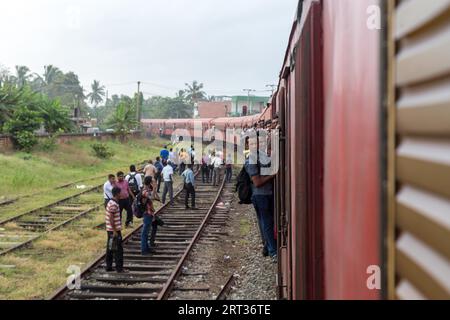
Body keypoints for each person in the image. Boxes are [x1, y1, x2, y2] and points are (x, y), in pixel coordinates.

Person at [245, 137, 277, 262]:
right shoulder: (251, 160)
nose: (255, 145)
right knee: (267, 223)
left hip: (266, 194)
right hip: (260, 195)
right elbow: (257, 182)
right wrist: (273, 175)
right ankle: (272, 251)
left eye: (256, 142)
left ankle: (268, 247)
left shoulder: (261, 156)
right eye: (251, 143)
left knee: (266, 222)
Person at [105, 187, 125, 273]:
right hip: (114, 230)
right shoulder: (113, 204)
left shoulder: (111, 202)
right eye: (120, 193)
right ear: (117, 194)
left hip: (110, 229)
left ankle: (109, 267)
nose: (121, 194)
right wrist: (114, 231)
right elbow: (111, 218)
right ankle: (119, 268)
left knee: (110, 248)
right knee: (118, 249)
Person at [141, 176, 157, 255]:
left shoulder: (147, 190)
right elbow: (152, 198)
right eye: (153, 181)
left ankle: (147, 248)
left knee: (147, 232)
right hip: (147, 214)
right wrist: (154, 187)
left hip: (149, 213)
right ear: (150, 182)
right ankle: (144, 250)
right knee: (145, 233)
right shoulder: (145, 191)